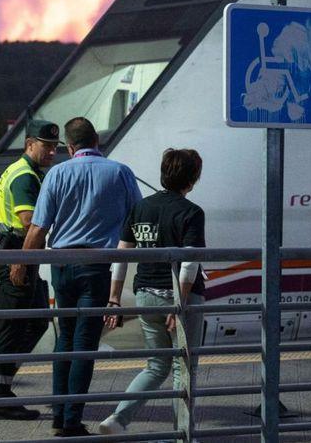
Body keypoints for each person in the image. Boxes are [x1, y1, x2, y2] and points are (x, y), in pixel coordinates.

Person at [12, 117, 142, 437]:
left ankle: (59, 412)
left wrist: (21, 265)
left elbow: (38, 228)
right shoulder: (120, 172)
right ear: (96, 140)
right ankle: (71, 420)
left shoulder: (56, 173)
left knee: (65, 338)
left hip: (62, 265)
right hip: (96, 267)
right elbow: (139, 219)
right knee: (85, 342)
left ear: (69, 147)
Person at [99, 149, 206, 436]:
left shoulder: (141, 208)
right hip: (179, 298)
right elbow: (189, 262)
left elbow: (121, 257)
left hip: (145, 293)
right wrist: (180, 304)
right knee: (182, 370)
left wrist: (114, 298)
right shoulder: (192, 212)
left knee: (156, 366)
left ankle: (117, 420)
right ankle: (180, 435)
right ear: (192, 178)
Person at [0, 119, 59, 420]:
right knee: (13, 328)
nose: (50, 152)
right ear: (29, 144)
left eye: (53, 147)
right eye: (45, 146)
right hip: (17, 253)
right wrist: (21, 262)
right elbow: (28, 220)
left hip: (22, 253)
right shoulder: (25, 176)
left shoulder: (29, 171)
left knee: (35, 322)